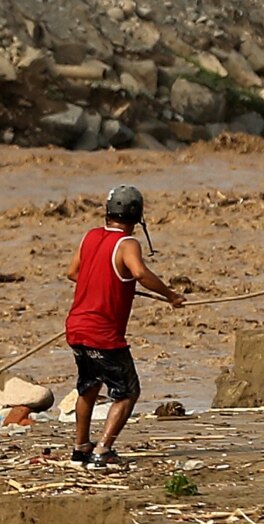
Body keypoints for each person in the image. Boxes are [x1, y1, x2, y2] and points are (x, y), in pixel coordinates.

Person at [65, 185, 185, 468]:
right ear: (137, 218)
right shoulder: (128, 244)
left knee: (88, 387)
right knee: (128, 392)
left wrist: (108, 284)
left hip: (77, 327)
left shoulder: (90, 236)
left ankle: (81, 447)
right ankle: (103, 449)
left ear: (107, 213)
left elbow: (73, 273)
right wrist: (170, 295)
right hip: (103, 334)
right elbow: (140, 272)